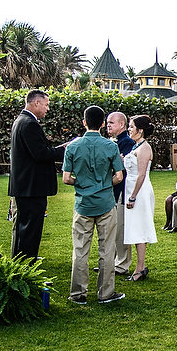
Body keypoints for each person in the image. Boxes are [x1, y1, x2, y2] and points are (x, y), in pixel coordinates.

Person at [63, 105, 125, 305]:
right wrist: (105, 184)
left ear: (84, 122)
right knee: (106, 249)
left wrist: (81, 184)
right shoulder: (110, 146)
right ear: (101, 124)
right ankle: (105, 293)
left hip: (83, 203)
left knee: (80, 249)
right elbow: (119, 176)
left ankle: (78, 293)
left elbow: (66, 178)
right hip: (106, 202)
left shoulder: (73, 146)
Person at [9, 89, 67, 260]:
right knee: (31, 229)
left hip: (25, 185)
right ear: (36, 103)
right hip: (31, 187)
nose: (47, 109)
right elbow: (40, 154)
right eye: (46, 104)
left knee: (24, 227)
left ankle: (21, 259)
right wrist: (64, 150)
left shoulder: (20, 121)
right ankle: (27, 262)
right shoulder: (29, 124)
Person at [123, 115, 157, 281]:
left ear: (140, 130)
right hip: (131, 188)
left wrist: (133, 196)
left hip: (140, 191)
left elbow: (142, 174)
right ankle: (139, 267)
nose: (129, 129)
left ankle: (139, 268)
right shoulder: (136, 146)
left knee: (140, 229)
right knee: (135, 228)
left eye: (131, 127)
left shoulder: (144, 148)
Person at [106, 111, 136, 276]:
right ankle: (111, 261)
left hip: (123, 190)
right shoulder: (114, 142)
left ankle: (122, 263)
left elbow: (124, 167)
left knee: (120, 228)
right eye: (107, 122)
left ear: (122, 124)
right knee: (111, 228)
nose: (108, 125)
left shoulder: (127, 142)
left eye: (111, 122)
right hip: (113, 190)